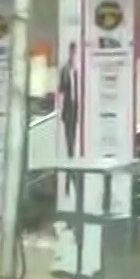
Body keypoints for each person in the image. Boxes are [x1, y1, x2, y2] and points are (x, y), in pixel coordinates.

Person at [58, 42, 80, 195]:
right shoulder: (65, 70)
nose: (74, 55)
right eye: (72, 52)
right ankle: (69, 183)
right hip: (69, 110)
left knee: (75, 147)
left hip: (79, 110)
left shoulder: (79, 70)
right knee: (70, 147)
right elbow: (61, 89)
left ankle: (72, 179)